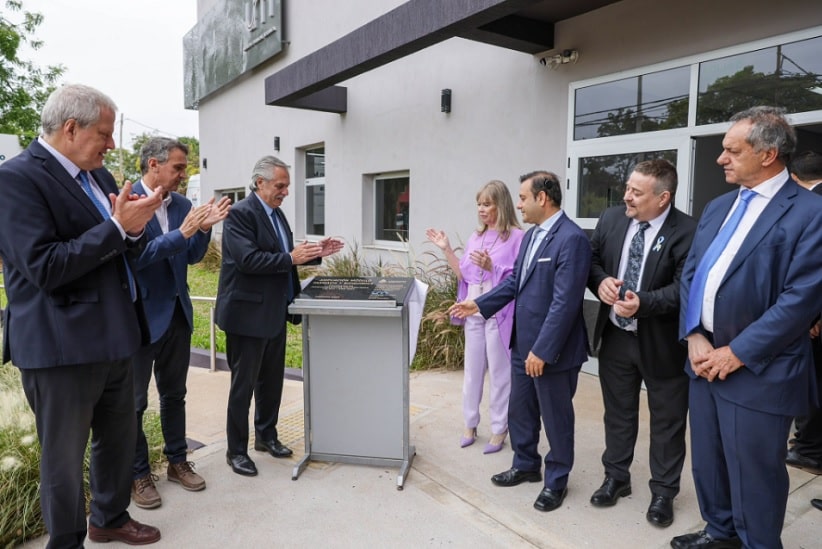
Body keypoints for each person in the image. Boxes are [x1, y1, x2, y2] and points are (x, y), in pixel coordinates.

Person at [0, 84, 163, 547]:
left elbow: (117, 250)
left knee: (116, 442)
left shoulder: (103, 178)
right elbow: (44, 267)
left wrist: (131, 232)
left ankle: (109, 518)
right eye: (105, 134)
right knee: (63, 460)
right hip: (61, 347)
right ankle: (67, 540)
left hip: (116, 337)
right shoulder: (15, 179)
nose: (112, 144)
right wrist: (116, 229)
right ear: (71, 128)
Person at [673, 106, 822, 549]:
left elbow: (801, 299)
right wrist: (694, 334)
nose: (721, 158)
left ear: (769, 154)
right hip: (704, 361)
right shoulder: (719, 206)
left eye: (732, 151)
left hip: (760, 369)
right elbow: (691, 275)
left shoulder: (810, 212)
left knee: (755, 475)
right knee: (709, 464)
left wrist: (735, 353)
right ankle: (720, 533)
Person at [450, 171, 591, 513]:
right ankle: (526, 464)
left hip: (551, 350)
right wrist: (478, 304)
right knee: (521, 411)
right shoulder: (530, 237)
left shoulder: (571, 239)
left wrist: (542, 350)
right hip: (521, 342)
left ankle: (556, 481)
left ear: (543, 198)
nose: (519, 205)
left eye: (524, 198)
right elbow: (514, 284)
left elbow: (565, 302)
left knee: (556, 418)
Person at [216, 155, 343, 476]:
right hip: (246, 315)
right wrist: (290, 256)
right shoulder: (240, 215)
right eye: (280, 185)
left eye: (287, 186)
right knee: (242, 387)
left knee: (271, 382)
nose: (285, 191)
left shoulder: (277, 214)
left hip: (274, 310)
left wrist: (314, 253)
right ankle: (236, 452)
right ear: (260, 183)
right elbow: (249, 260)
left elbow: (283, 258)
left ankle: (266, 436)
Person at [588, 159, 695, 528]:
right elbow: (593, 260)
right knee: (618, 414)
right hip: (617, 337)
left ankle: (663, 492)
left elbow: (686, 287)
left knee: (667, 421)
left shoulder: (689, 231)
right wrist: (600, 281)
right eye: (627, 188)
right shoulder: (613, 219)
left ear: (663, 198)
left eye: (636, 192)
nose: (626, 197)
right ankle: (616, 477)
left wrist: (644, 303)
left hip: (663, 342)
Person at [129, 137, 231, 508]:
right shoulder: (131, 205)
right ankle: (138, 474)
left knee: (175, 395)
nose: (183, 174)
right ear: (153, 165)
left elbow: (191, 257)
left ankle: (177, 462)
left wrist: (203, 229)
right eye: (177, 167)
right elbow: (137, 258)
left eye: (185, 167)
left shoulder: (185, 205)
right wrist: (183, 232)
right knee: (134, 403)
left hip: (177, 316)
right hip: (140, 319)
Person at [426, 181, 524, 453]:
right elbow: (464, 275)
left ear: (500, 204)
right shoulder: (475, 237)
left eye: (487, 204)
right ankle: (470, 424)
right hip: (473, 311)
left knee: (500, 374)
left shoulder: (517, 237)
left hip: (499, 313)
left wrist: (493, 267)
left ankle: (499, 428)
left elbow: (519, 278)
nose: (481, 209)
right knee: (472, 372)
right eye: (479, 204)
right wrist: (446, 249)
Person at [785, 151, 822, 477]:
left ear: (794, 180)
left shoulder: (813, 209)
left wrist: (812, 318)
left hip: (814, 323)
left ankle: (809, 450)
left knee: (813, 387)